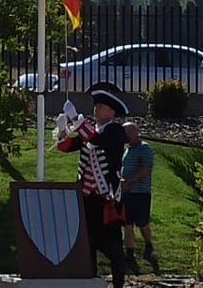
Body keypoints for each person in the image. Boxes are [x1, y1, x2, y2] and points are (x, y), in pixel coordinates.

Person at [55, 80, 128, 288]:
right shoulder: (91, 129)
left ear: (112, 112)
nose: (96, 109)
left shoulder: (115, 131)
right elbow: (69, 146)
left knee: (113, 248)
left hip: (105, 198)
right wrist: (63, 130)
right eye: (96, 106)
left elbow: (96, 140)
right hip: (86, 198)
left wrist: (77, 119)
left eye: (101, 106)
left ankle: (118, 285)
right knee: (88, 245)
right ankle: (91, 282)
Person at [119, 121, 157, 272]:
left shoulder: (144, 148)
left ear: (136, 132)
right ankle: (130, 255)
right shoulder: (126, 151)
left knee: (142, 223)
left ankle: (148, 243)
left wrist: (129, 181)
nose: (126, 136)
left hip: (140, 193)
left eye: (128, 132)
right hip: (127, 194)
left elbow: (145, 169)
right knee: (127, 223)